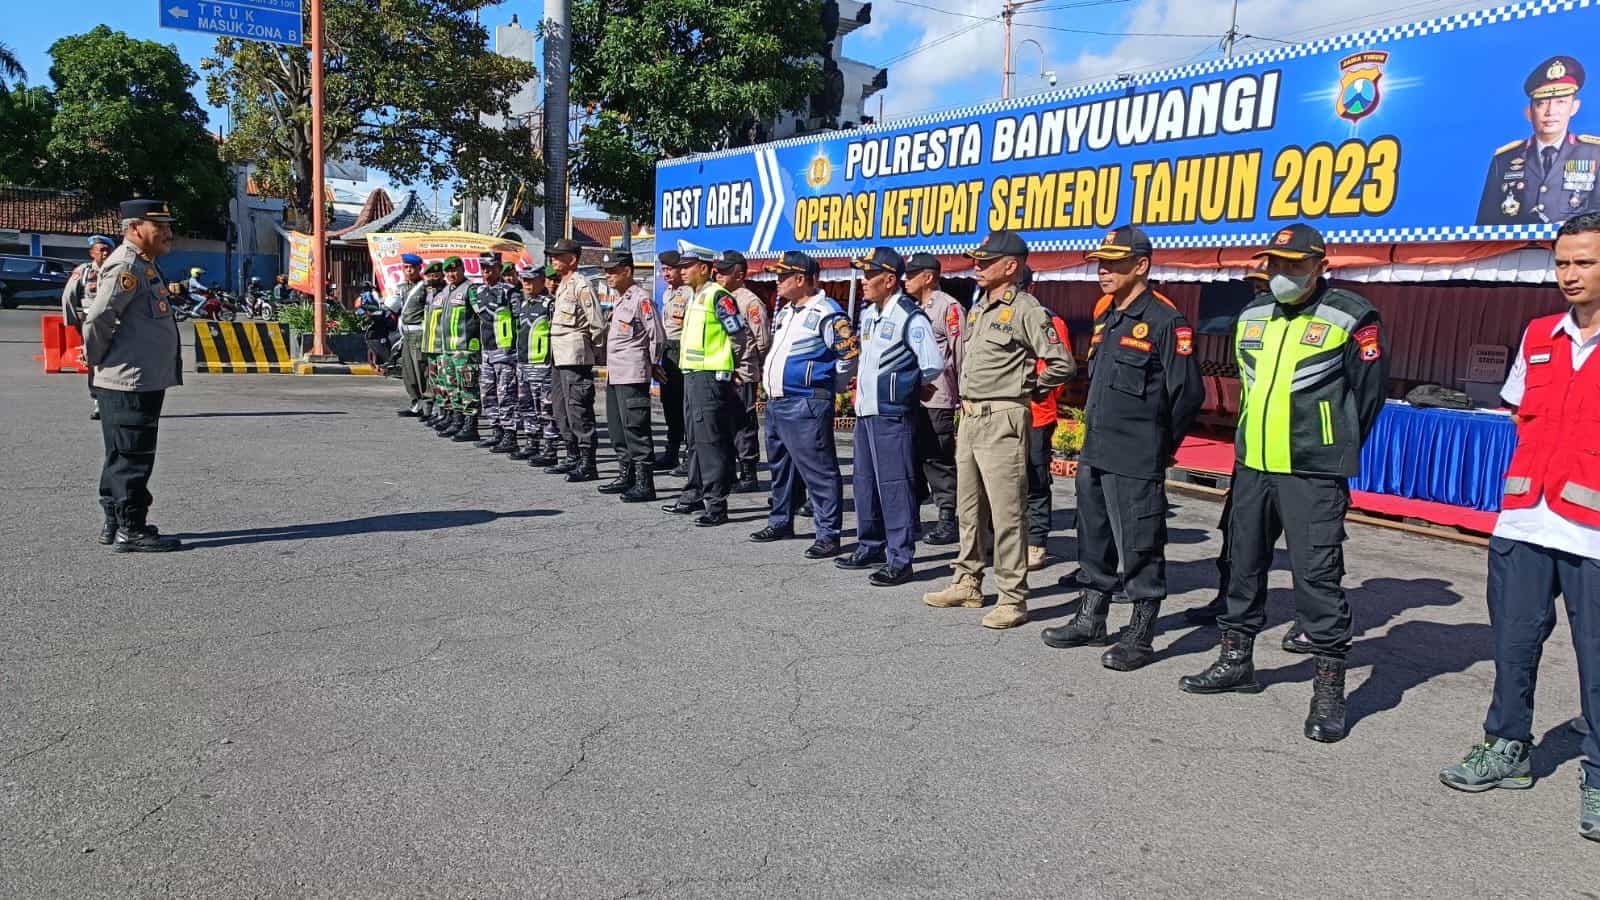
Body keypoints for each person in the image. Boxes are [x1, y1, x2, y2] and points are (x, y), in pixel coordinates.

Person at [1179, 223, 1390, 744]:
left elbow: (1367, 397)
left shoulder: (1352, 315)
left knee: (1317, 577)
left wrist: (1329, 444)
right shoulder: (1250, 315)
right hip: (1253, 465)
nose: (1283, 274)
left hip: (1313, 471)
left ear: (1321, 265)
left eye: (1295, 265)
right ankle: (1235, 661)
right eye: (1275, 264)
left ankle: (1328, 689)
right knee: (1241, 564)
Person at [1437, 212, 1600, 841]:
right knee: (1512, 646)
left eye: (1584, 262)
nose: (1570, 275)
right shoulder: (1538, 336)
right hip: (1527, 521)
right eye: (1563, 262)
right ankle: (1506, 747)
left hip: (1592, 533)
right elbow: (1519, 417)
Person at [1041, 227, 1203, 670]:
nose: (1104, 270)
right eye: (1101, 262)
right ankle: (1090, 617)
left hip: (1136, 454)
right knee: (1093, 536)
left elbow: (1186, 395)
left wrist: (1158, 446)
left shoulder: (1168, 322)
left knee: (1140, 543)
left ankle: (1141, 632)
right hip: (1096, 449)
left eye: (1114, 263)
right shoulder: (1108, 315)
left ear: (1141, 266)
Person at [923, 231, 1075, 628]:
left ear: (1011, 266)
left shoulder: (1027, 310)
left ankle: (1012, 596)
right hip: (971, 417)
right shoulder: (980, 308)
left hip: (1003, 417)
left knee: (1007, 512)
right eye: (977, 260)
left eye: (986, 261)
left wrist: (1025, 390)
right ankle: (967, 580)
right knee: (968, 507)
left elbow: (1060, 363)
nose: (978, 266)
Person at [834, 247, 945, 587]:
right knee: (865, 483)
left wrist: (904, 387)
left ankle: (900, 557)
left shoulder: (910, 316)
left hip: (892, 413)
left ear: (890, 279)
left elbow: (932, 364)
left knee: (895, 486)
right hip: (867, 413)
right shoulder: (869, 314)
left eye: (869, 276)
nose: (864, 282)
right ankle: (870, 545)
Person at [80, 200, 183, 552]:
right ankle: (131, 529)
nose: (168, 233)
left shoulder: (143, 263)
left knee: (120, 453)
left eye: (169, 226)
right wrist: (98, 360)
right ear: (136, 228)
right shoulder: (126, 265)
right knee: (132, 456)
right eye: (161, 227)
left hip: (137, 376)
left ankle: (114, 521)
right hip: (130, 378)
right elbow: (98, 318)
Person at [749, 250, 857, 558]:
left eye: (784, 276)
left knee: (819, 471)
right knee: (781, 468)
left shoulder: (827, 312)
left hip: (806, 402)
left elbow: (848, 354)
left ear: (801, 279)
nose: (778, 281)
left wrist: (827, 383)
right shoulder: (786, 312)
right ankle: (781, 520)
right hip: (778, 403)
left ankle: (828, 534)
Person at [663, 241, 747, 527]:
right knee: (695, 439)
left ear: (704, 268)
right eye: (681, 267)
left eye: (687, 267)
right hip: (693, 375)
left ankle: (716, 504)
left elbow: (737, 335)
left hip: (710, 376)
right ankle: (694, 493)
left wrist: (726, 366)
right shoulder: (695, 296)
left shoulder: (717, 296)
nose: (682, 271)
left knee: (711, 441)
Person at [1477, 55, 1600, 225]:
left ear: (1574, 107)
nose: (1551, 112)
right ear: (1529, 112)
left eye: (1561, 102)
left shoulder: (1595, 154)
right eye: (1541, 103)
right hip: (1518, 249)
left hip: (1575, 249)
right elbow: (1485, 226)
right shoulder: (1504, 159)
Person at [904, 253, 964, 545]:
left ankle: (947, 517)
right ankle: (912, 515)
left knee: (936, 458)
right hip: (912, 396)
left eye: (911, 274)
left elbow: (960, 352)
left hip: (937, 396)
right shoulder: (912, 309)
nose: (906, 280)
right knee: (911, 457)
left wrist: (962, 397)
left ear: (928, 277)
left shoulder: (947, 307)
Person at [598, 250, 666, 501]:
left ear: (627, 271)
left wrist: (652, 364)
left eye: (613, 271)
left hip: (632, 374)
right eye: (606, 271)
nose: (608, 276)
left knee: (636, 428)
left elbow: (656, 335)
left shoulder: (641, 299)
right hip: (615, 374)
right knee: (617, 429)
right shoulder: (619, 299)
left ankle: (644, 482)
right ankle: (625, 474)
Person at [542, 238, 606, 481]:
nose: (553, 259)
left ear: (573, 259)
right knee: (560, 408)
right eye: (553, 255)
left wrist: (593, 351)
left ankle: (588, 463)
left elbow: (597, 323)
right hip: (558, 356)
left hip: (575, 356)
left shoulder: (581, 284)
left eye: (559, 256)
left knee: (578, 409)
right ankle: (571, 456)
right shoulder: (563, 285)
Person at [1023, 266, 1073, 571]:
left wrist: (1033, 390)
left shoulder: (1049, 320)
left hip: (1036, 413)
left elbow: (1059, 371)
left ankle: (1036, 541)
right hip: (1002, 415)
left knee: (1035, 478)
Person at [713, 251, 772, 493]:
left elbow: (763, 341)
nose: (718, 275)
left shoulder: (750, 302)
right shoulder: (719, 298)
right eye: (718, 270)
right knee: (725, 423)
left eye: (725, 271)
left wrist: (747, 362)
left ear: (739, 274)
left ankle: (748, 472)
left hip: (743, 371)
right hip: (722, 370)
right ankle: (728, 471)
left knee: (743, 423)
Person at [510, 263, 561, 465]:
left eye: (531, 280)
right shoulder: (523, 304)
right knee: (526, 406)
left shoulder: (550, 305)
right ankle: (532, 443)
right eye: (525, 281)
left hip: (543, 366)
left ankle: (550, 449)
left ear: (542, 281)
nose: (527, 284)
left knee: (546, 409)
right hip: (523, 364)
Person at [62, 234, 116, 420]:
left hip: (116, 323)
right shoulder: (84, 271)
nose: (105, 253)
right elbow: (68, 296)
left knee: (118, 362)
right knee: (94, 362)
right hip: (90, 322)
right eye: (101, 250)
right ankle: (98, 403)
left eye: (108, 249)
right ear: (91, 253)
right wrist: (73, 323)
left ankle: (117, 401)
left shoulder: (119, 270)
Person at [472, 253, 521, 453]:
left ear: (499, 268)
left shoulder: (510, 292)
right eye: (483, 268)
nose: (486, 272)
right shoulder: (480, 291)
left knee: (506, 395)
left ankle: (510, 435)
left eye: (490, 268)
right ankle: (496, 432)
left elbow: (519, 320)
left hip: (505, 352)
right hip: (487, 350)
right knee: (488, 393)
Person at [435, 256, 482, 442]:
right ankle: (457, 421)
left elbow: (481, 315)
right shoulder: (446, 290)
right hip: (448, 349)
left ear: (462, 269)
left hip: (465, 348)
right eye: (447, 272)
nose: (451, 274)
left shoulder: (470, 289)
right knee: (452, 388)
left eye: (454, 270)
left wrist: (476, 342)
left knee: (468, 388)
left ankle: (471, 426)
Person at [656, 250, 693, 474]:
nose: (666, 273)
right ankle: (672, 451)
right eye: (664, 269)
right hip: (668, 349)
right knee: (669, 404)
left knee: (684, 404)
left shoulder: (689, 293)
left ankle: (689, 453)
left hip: (683, 349)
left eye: (670, 269)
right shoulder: (668, 293)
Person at [393, 253, 430, 417]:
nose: (409, 271)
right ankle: (415, 402)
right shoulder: (401, 287)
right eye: (406, 267)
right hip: (405, 334)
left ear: (418, 269)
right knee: (408, 371)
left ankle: (427, 406)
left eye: (412, 268)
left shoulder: (425, 287)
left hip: (418, 333)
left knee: (420, 369)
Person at [420, 262, 450, 429]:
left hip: (442, 346)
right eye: (430, 276)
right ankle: (436, 412)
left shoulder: (446, 293)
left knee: (446, 383)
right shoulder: (430, 294)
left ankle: (445, 413)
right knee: (435, 383)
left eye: (435, 276)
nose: (432, 279)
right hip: (431, 345)